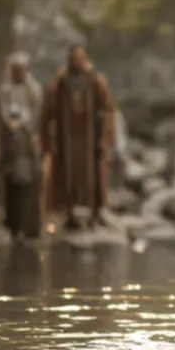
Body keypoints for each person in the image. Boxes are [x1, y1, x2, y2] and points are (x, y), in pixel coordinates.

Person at [41, 45, 117, 230]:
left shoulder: (96, 82)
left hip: (90, 137)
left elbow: (108, 109)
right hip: (67, 138)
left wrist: (105, 137)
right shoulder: (61, 82)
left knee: (91, 178)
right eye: (74, 58)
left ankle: (94, 214)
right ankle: (69, 214)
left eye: (80, 58)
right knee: (68, 176)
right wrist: (49, 139)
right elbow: (48, 111)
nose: (77, 62)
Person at [2, 105, 41, 239]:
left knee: (25, 201)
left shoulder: (28, 134)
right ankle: (14, 228)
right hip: (11, 172)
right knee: (13, 201)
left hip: (25, 172)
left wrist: (35, 170)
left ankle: (27, 229)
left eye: (16, 117)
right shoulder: (7, 134)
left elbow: (33, 154)